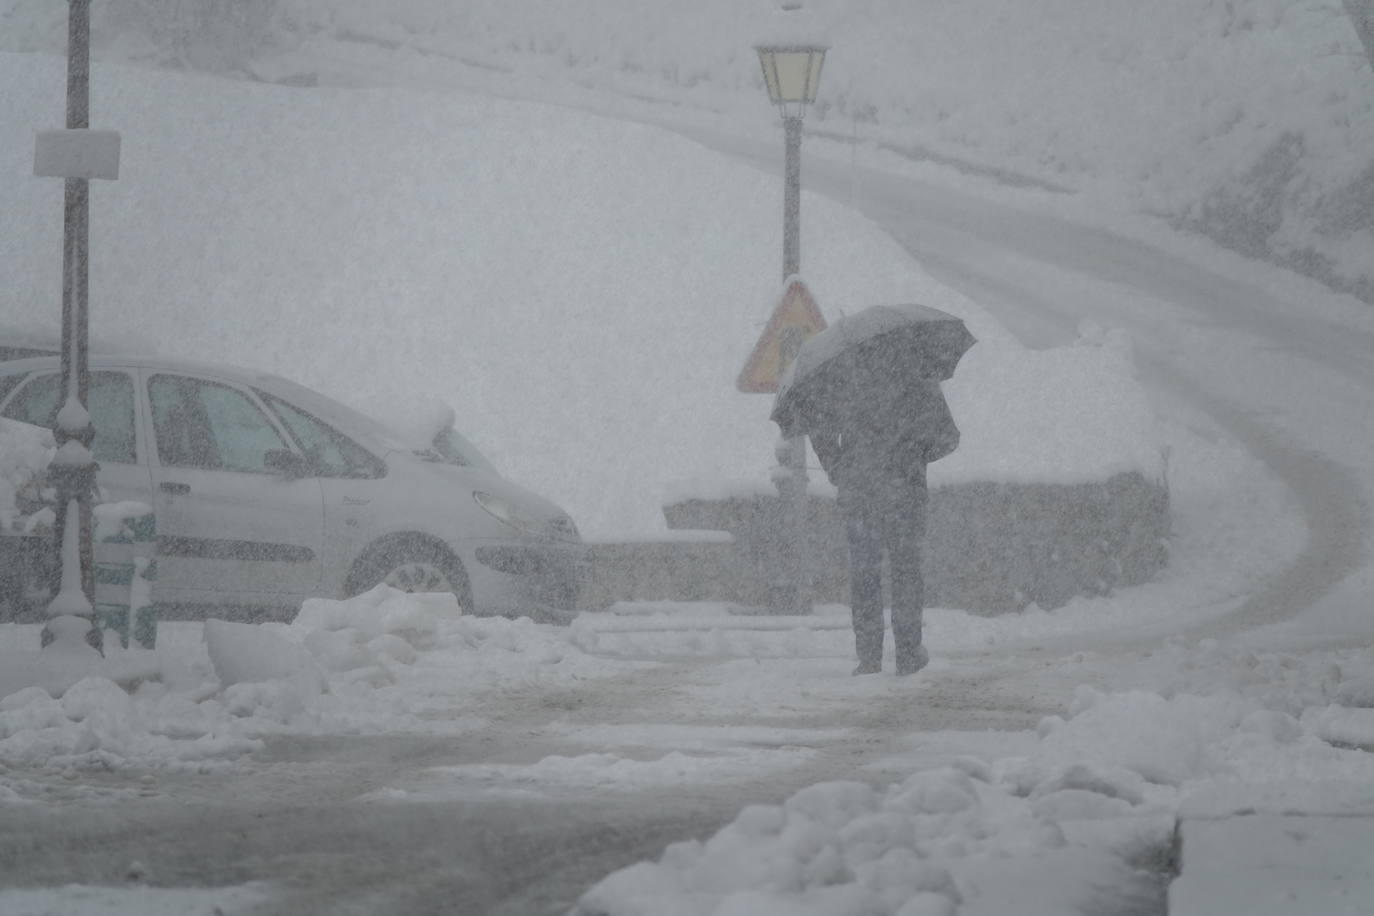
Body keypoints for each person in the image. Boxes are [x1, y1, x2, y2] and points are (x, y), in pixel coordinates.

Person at [810, 377, 960, 676]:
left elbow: (820, 432)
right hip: (905, 493)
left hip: (860, 494)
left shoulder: (842, 378)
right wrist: (914, 454)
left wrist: (840, 469)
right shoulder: (917, 377)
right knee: (906, 572)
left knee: (864, 574)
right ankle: (908, 654)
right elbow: (948, 437)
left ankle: (868, 658)